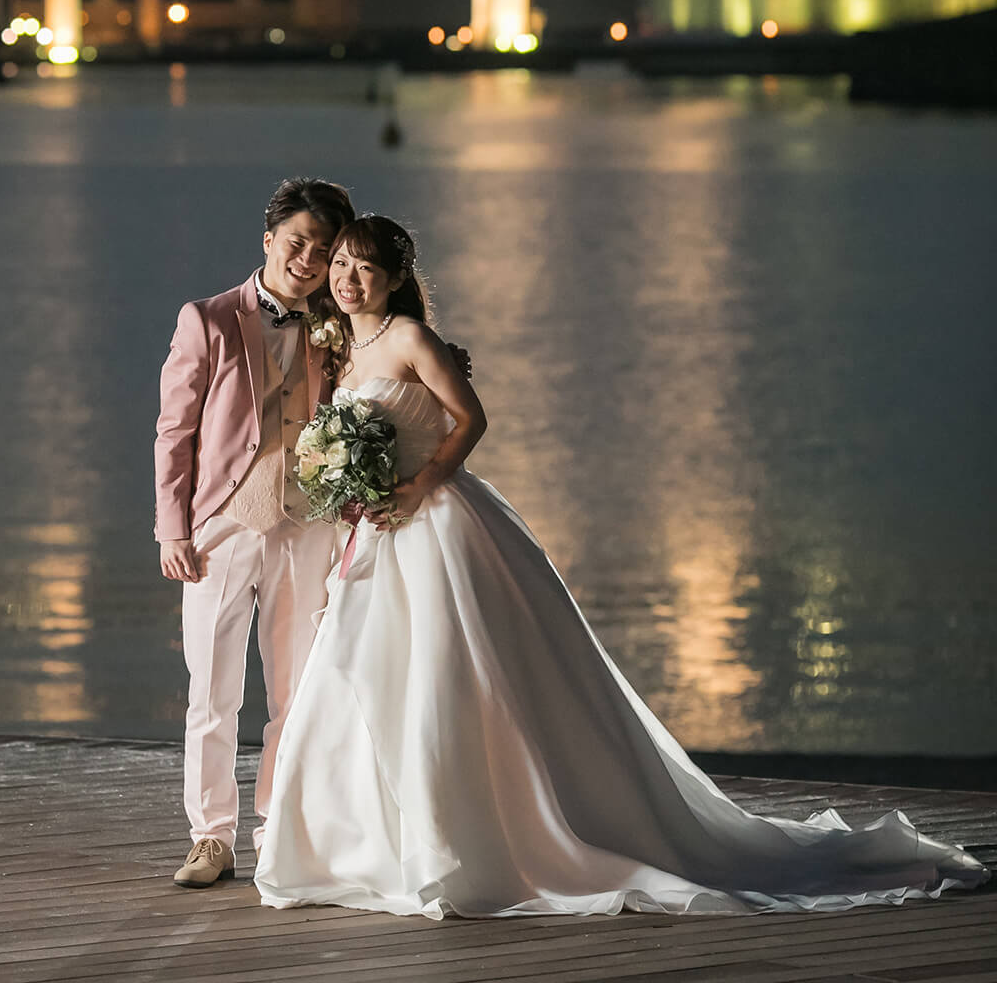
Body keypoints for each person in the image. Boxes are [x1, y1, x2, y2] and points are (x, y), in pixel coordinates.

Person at [255, 214, 989, 920]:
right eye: (343, 265)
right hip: (379, 532)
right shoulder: (342, 348)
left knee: (452, 673)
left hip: (436, 522)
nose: (350, 278)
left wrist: (419, 483)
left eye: (366, 267)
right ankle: (369, 840)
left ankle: (476, 841)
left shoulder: (412, 337)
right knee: (370, 672)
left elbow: (470, 418)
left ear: (394, 278)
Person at [154, 175, 354, 888]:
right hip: (223, 529)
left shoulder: (340, 328)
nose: (308, 258)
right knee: (213, 692)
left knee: (295, 693)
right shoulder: (207, 320)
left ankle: (277, 829)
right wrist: (172, 528)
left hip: (308, 528)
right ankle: (211, 837)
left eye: (323, 249)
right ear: (269, 240)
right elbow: (174, 433)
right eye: (298, 242)